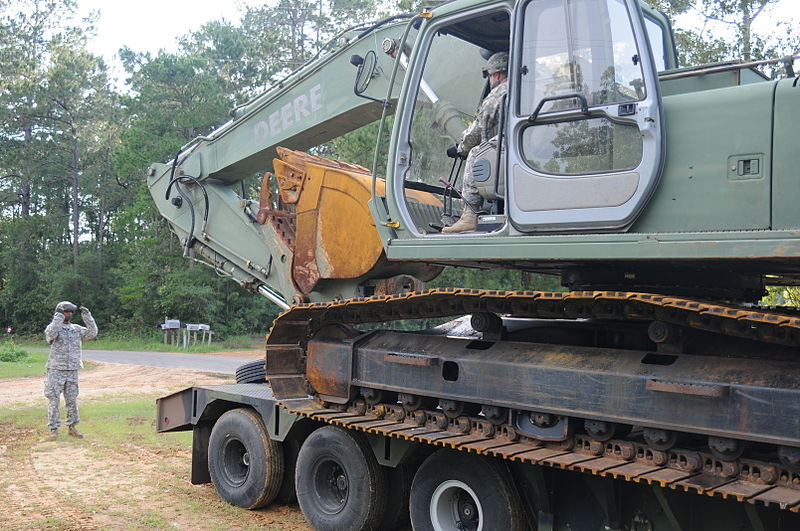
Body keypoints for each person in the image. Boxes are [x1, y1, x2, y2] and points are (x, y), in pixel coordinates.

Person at [442, 51, 509, 234]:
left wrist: (462, 147)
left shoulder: (498, 94)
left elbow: (478, 130)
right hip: (522, 149)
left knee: (476, 152)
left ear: (496, 74)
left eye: (490, 75)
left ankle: (470, 215)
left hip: (506, 149)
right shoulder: (523, 90)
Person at [44, 301, 97, 439]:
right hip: (56, 369)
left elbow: (92, 333)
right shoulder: (54, 327)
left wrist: (87, 316)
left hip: (72, 370)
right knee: (54, 400)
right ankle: (53, 429)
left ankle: (72, 427)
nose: (69, 314)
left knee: (72, 400)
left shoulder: (76, 329)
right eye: (66, 311)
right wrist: (58, 318)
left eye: (70, 312)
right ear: (60, 313)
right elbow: (50, 334)